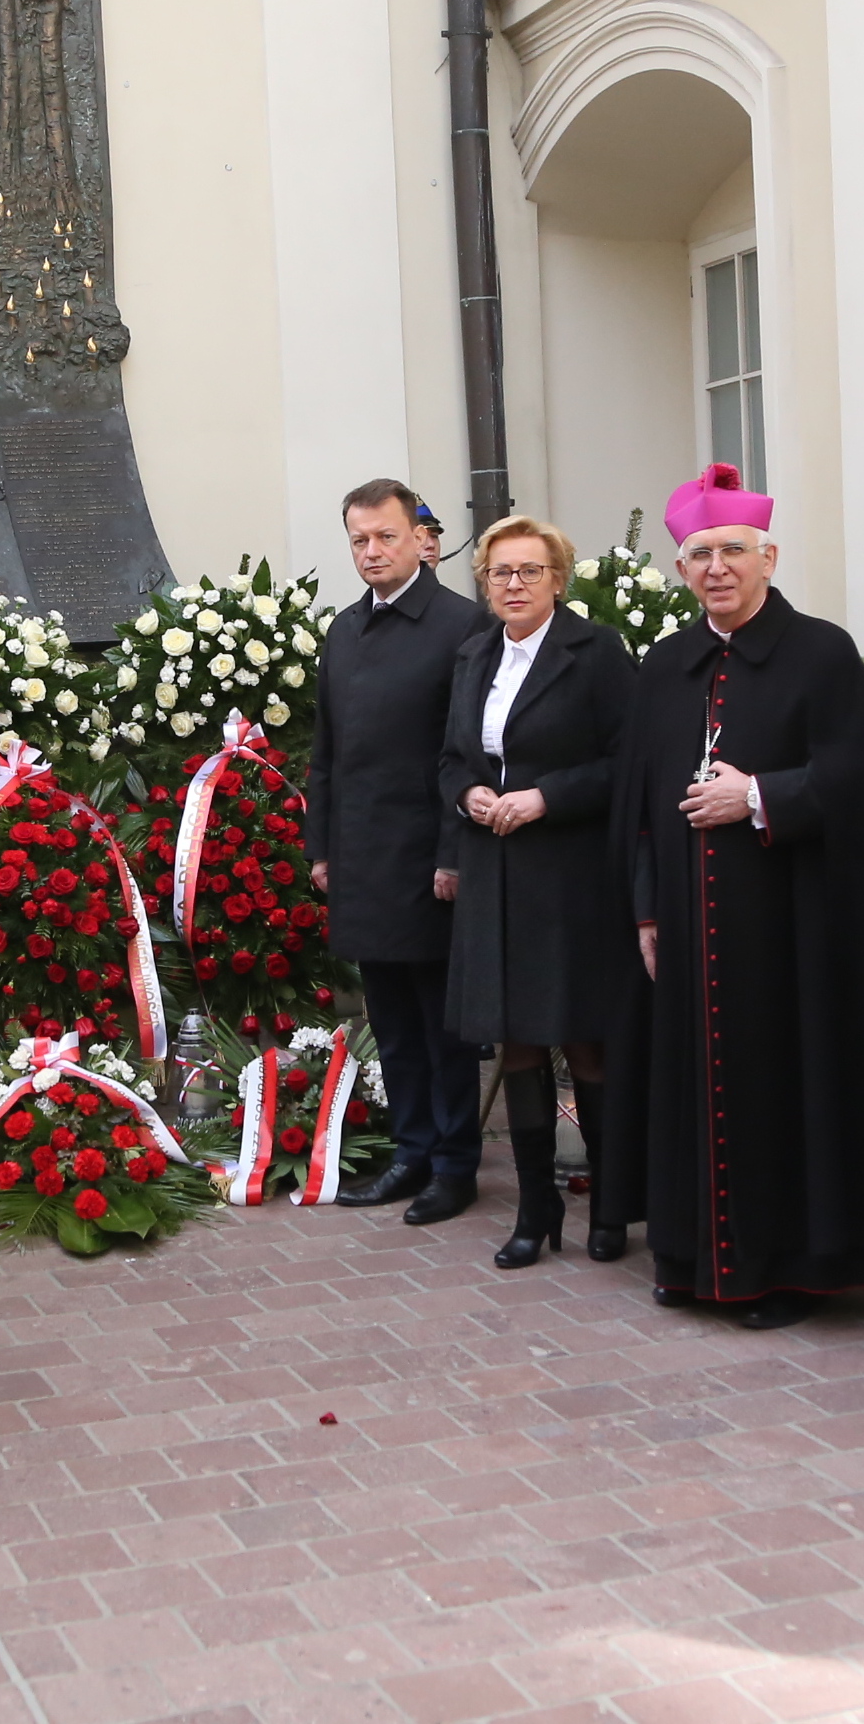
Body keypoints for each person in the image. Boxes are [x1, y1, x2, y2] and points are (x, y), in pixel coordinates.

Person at [611, 462, 864, 1328]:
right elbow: (638, 803)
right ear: (682, 570)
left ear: (769, 556)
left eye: (733, 552)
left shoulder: (821, 652)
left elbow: (859, 779)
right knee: (697, 1090)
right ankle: (694, 1261)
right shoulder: (667, 664)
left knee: (784, 1091)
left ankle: (786, 1268)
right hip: (684, 921)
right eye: (700, 554)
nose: (717, 567)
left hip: (793, 929)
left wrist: (757, 795)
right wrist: (645, 907)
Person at [437, 515, 636, 1267]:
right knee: (516, 1042)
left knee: (584, 1039)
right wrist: (471, 798)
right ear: (485, 585)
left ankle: (612, 1204)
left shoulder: (596, 653)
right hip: (495, 871)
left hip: (571, 874)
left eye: (528, 570)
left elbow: (628, 759)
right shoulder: (474, 654)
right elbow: (452, 757)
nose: (513, 584)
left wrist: (547, 796)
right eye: (499, 572)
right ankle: (535, 1205)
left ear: (558, 578)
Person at [308, 479, 490, 1223]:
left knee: (442, 1023)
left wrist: (453, 855)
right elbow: (326, 753)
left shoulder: (462, 626)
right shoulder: (344, 631)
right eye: (359, 539)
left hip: (430, 860)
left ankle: (455, 1163)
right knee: (391, 1020)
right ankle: (411, 1150)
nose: (372, 551)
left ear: (422, 538)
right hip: (361, 860)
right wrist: (321, 847)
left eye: (385, 536)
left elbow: (468, 753)